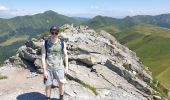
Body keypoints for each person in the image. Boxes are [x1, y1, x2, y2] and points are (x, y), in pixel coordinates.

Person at [41, 25, 68, 100]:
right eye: (52, 33)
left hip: (60, 68)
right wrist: (44, 71)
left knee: (61, 84)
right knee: (48, 85)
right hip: (49, 69)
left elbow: (65, 55)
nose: (54, 35)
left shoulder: (62, 43)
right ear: (50, 33)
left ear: (58, 33)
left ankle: (61, 97)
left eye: (56, 33)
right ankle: (48, 98)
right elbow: (43, 57)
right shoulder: (45, 43)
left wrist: (66, 67)